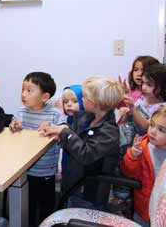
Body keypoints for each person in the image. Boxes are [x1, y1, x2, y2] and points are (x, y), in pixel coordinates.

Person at [41, 76, 124, 210]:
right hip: (74, 181)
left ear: (93, 102)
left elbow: (86, 154)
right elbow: (73, 133)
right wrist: (56, 130)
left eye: (84, 96)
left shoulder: (109, 132)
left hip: (90, 190)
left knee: (82, 215)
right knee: (69, 208)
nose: (82, 98)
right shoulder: (87, 117)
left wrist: (65, 133)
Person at [9, 72, 66, 226]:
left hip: (45, 171)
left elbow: (64, 130)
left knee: (46, 208)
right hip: (24, 170)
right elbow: (14, 129)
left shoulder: (54, 114)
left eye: (29, 90)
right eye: (23, 89)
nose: (23, 94)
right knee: (27, 205)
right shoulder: (21, 112)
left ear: (45, 97)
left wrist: (54, 129)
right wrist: (14, 127)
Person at [121, 105, 166, 227]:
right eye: (151, 124)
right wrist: (133, 156)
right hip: (143, 209)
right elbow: (128, 172)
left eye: (161, 130)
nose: (152, 131)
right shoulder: (142, 146)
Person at [124, 63, 166, 134]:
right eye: (143, 82)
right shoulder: (143, 98)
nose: (144, 87)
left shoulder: (162, 108)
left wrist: (132, 109)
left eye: (149, 85)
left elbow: (146, 128)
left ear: (162, 87)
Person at [58, 85, 85, 180]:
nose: (69, 105)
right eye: (65, 102)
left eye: (75, 101)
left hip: (78, 164)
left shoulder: (85, 121)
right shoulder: (70, 119)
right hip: (67, 161)